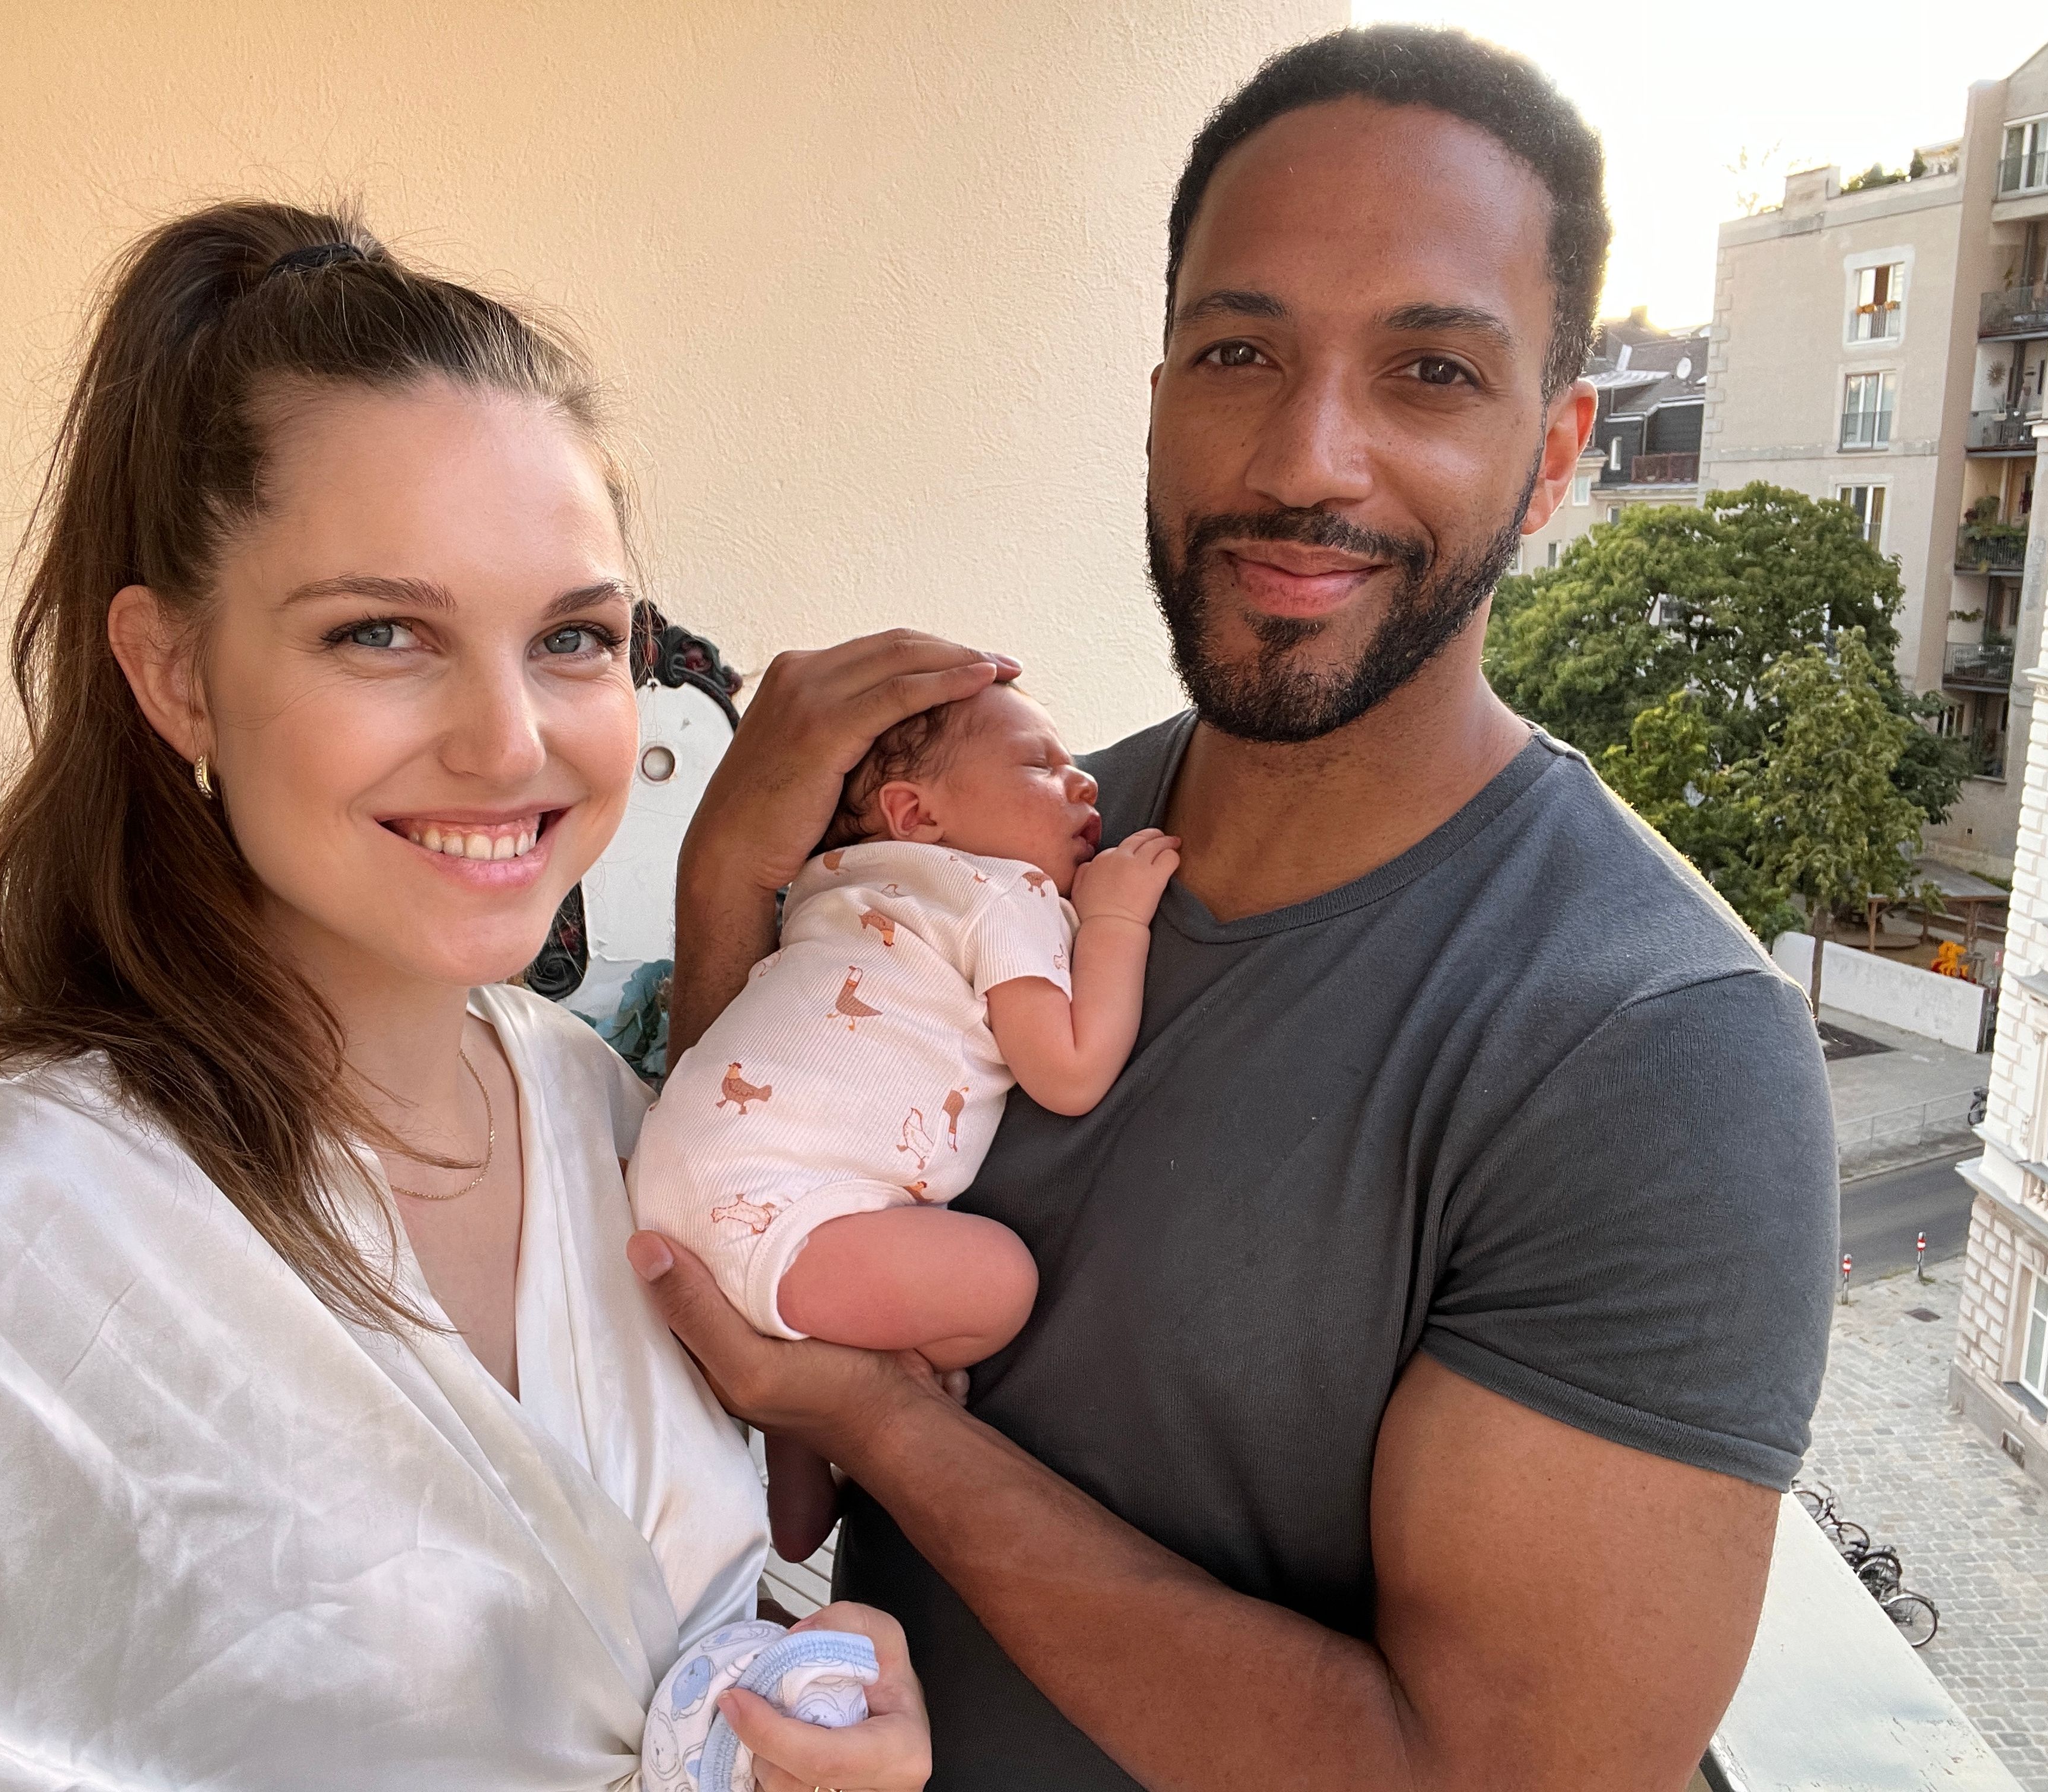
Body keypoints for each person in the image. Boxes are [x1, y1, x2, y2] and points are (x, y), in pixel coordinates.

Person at [631, 25, 1837, 1791]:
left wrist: (887, 1426)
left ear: (1558, 449)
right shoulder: (1014, 850)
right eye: (1239, 349)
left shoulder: (1653, 1052)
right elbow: (731, 1269)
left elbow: (1484, 1775)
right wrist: (726, 875)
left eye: (1429, 372)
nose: (1307, 457)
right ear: (1157, 393)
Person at [0, 201, 928, 1792]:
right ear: (175, 673)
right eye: (384, 631)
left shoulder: (602, 1119)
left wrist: (798, 1722)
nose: (511, 741)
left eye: (573, 638)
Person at [628, 682, 1178, 1557]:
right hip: (782, 1205)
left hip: (686, 1172)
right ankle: (848, 1408)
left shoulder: (836, 886)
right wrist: (1114, 922)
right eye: (1041, 765)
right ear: (914, 812)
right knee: (1001, 1281)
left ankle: (799, 1493)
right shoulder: (1007, 894)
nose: (1086, 786)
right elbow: (1069, 1072)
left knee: (814, 1293)